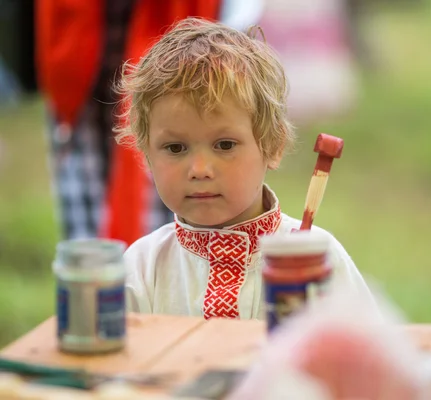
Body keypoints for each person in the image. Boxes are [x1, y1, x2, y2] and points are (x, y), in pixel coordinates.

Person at [120, 18, 370, 319]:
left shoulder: (318, 258)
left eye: (224, 145)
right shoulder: (141, 267)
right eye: (176, 148)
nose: (200, 169)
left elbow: (363, 354)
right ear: (146, 153)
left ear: (272, 145)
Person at [36, 0, 263, 245]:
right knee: (87, 236)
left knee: (171, 215)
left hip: (180, 34)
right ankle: (96, 278)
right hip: (79, 43)